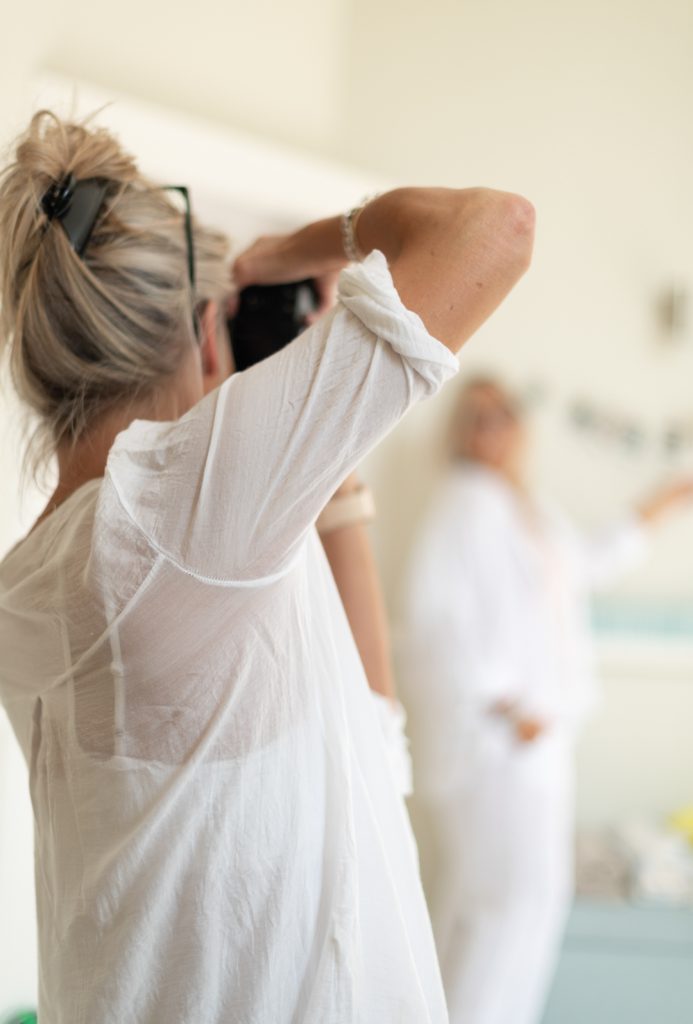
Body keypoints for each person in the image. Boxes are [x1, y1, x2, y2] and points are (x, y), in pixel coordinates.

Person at [0, 111, 534, 1024]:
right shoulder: (168, 515)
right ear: (204, 331)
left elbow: (370, 738)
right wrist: (295, 252)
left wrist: (327, 469)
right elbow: (493, 228)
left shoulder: (40, 575)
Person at [400, 376, 693, 1024]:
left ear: (520, 427)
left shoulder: (522, 510)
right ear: (456, 433)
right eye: (473, 418)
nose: (488, 430)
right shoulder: (465, 501)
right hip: (502, 745)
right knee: (508, 908)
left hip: (533, 741)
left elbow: (587, 562)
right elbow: (435, 620)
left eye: (500, 415)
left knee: (500, 907)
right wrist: (508, 707)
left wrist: (666, 500)